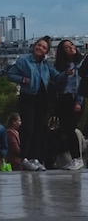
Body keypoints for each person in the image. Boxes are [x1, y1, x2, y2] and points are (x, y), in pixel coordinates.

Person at [7, 36, 58, 169]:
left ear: (46, 52)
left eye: (44, 47)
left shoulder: (45, 64)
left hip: (42, 99)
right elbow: (10, 74)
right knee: (28, 128)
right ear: (34, 46)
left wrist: (68, 74)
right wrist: (23, 80)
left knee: (39, 129)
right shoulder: (24, 61)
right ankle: (25, 157)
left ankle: (34, 158)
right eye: (39, 45)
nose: (40, 48)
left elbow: (56, 76)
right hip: (28, 98)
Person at [52, 39, 84, 170]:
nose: (71, 47)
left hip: (75, 99)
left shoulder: (81, 64)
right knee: (66, 129)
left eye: (71, 45)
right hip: (63, 100)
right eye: (66, 47)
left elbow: (82, 85)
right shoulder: (60, 66)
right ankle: (74, 158)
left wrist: (79, 102)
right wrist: (65, 74)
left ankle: (77, 158)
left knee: (71, 128)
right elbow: (55, 81)